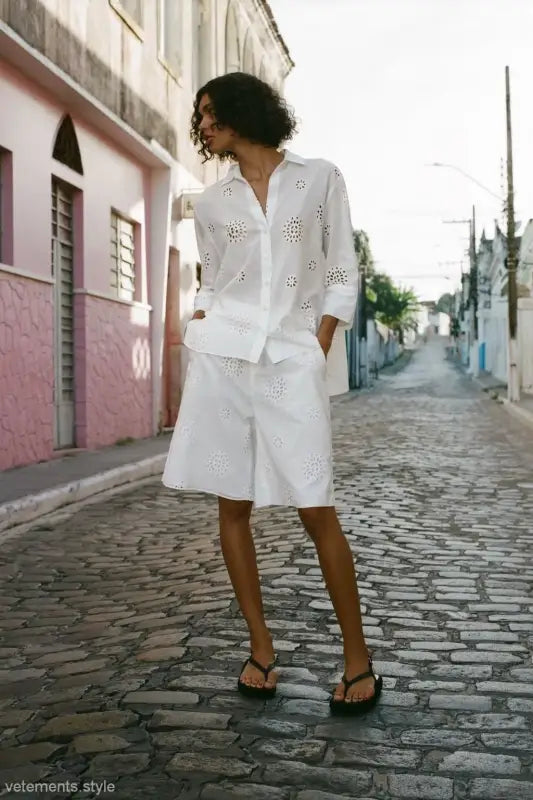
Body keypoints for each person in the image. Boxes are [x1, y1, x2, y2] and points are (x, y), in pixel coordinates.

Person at [162, 72, 382, 715]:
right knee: (233, 506)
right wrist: (200, 322)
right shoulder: (212, 202)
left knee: (317, 507)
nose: (201, 126)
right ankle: (261, 648)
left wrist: (317, 341)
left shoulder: (320, 180)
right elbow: (210, 280)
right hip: (226, 360)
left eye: (208, 112)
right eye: (198, 117)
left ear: (241, 111)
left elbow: (341, 266)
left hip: (290, 358)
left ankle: (357, 660)